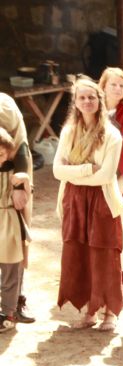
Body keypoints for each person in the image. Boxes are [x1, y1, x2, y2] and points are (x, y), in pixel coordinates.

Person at [52, 76, 123, 331]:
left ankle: (110, 312)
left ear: (99, 100)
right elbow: (57, 171)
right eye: (82, 98)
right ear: (75, 102)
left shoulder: (112, 135)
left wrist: (73, 171)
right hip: (74, 200)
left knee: (104, 255)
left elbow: (105, 176)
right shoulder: (68, 132)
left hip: (102, 201)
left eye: (91, 97)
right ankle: (89, 310)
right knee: (80, 253)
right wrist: (86, 169)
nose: (87, 102)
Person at [99, 66, 123, 291]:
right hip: (94, 173)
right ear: (103, 86)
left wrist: (111, 167)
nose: (117, 88)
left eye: (122, 85)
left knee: (120, 222)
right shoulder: (94, 108)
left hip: (118, 174)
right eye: (113, 84)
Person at [0, 92, 32, 325]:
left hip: (12, 177)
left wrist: (20, 186)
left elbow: (19, 147)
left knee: (15, 248)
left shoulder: (5, 105)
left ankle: (14, 303)